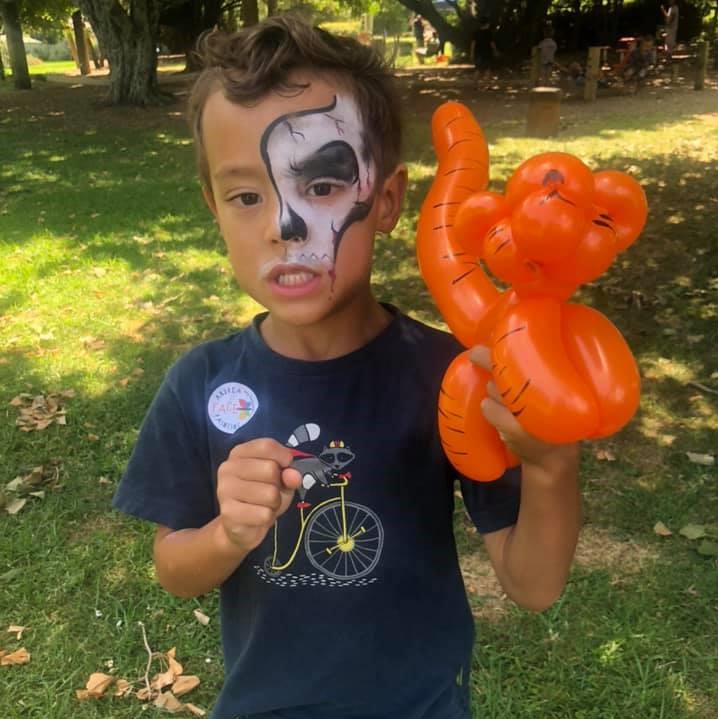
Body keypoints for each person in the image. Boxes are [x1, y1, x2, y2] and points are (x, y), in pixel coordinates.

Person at [112, 14, 581, 719]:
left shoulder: (452, 376)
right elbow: (175, 570)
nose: (283, 226)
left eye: (323, 185)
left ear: (385, 200)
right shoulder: (200, 384)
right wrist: (226, 533)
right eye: (247, 197)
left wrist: (551, 465)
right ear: (214, 208)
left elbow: (533, 584)